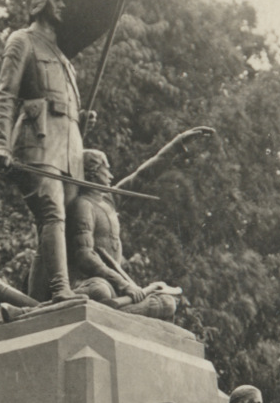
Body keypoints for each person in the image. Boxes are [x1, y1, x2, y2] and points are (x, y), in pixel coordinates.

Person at [0, 0, 83, 303]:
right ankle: (61, 291)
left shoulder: (64, 57)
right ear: (39, 1)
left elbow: (66, 108)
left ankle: (35, 303)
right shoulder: (22, 40)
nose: (62, 5)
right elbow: (5, 95)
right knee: (51, 212)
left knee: (60, 223)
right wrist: (0, 143)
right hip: (35, 143)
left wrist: (84, 120)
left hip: (69, 152)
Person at [65, 132, 213, 317]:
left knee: (167, 303)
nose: (110, 175)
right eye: (106, 169)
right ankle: (119, 311)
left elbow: (142, 176)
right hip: (90, 282)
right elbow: (85, 256)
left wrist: (176, 146)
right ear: (93, 171)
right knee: (100, 290)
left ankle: (117, 311)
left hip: (116, 284)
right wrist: (123, 284)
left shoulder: (109, 200)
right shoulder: (82, 205)